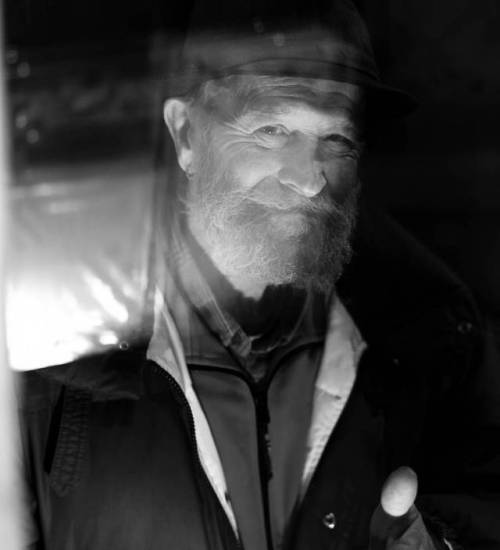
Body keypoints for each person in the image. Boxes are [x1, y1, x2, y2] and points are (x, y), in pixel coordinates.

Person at [17, 1, 500, 549]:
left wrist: (443, 540)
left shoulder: (434, 336)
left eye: (336, 140)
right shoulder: (50, 347)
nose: (310, 180)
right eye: (272, 129)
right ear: (187, 135)